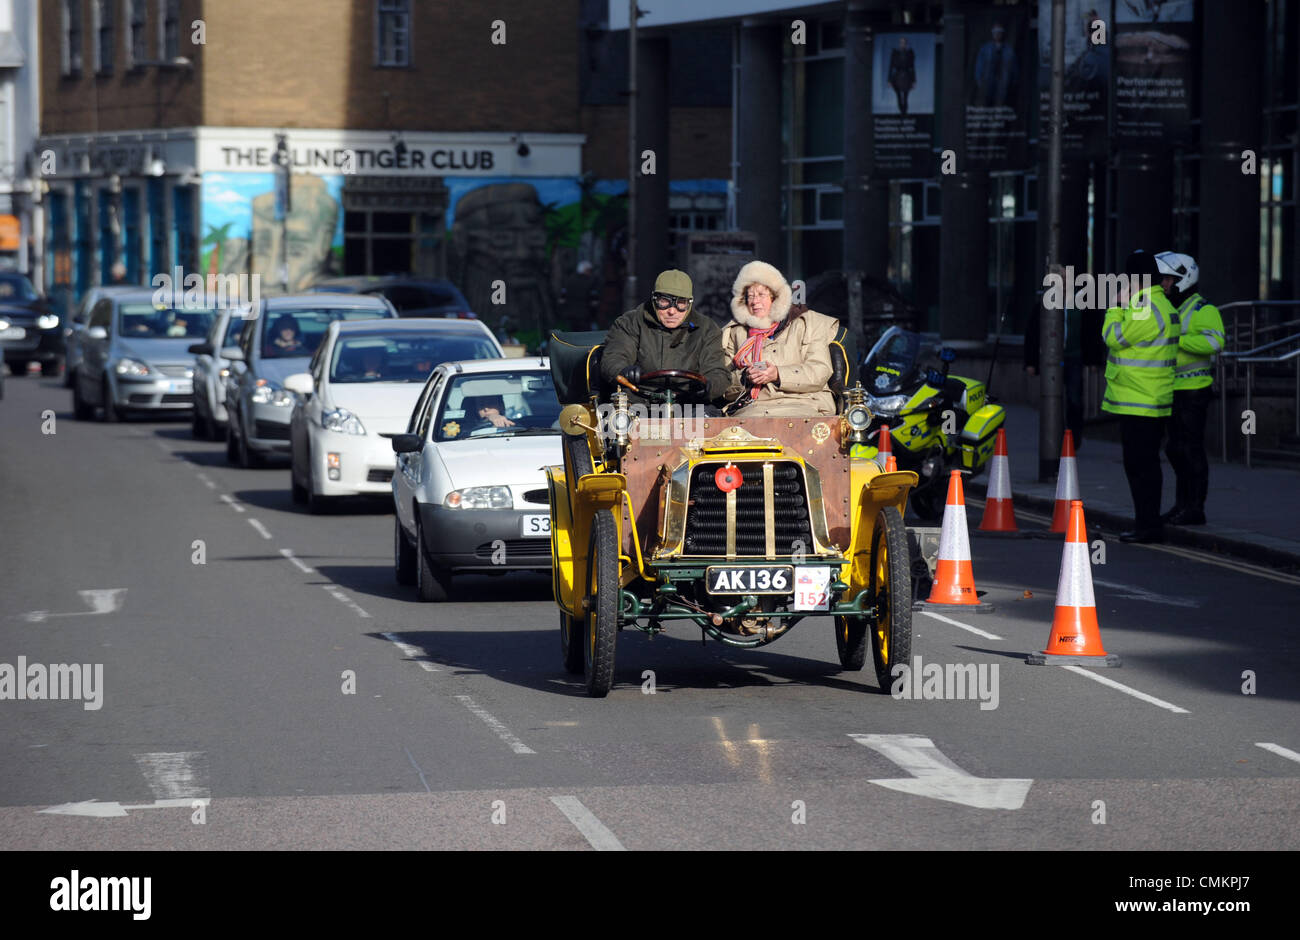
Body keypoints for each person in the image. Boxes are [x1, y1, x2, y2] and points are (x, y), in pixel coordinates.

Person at [1101, 249, 1179, 543]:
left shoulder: (1145, 306)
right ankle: (1147, 523)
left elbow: (1113, 337)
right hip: (1149, 398)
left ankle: (1148, 526)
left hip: (1141, 400)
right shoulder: (1156, 303)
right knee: (1145, 466)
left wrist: (1115, 306)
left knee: (1140, 467)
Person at [1155, 251, 1225, 526]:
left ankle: (1195, 508)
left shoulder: (1202, 309)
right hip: (1174, 389)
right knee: (1174, 449)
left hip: (1194, 389)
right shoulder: (1175, 309)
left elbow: (1215, 342)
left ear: (1184, 279)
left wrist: (1178, 340)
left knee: (1190, 449)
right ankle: (1182, 505)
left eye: (1169, 279)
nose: (1164, 284)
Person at [720, 260, 839, 417]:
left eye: (761, 295)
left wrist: (777, 374)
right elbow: (722, 384)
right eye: (750, 296)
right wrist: (745, 377)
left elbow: (819, 371)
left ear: (776, 298)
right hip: (752, 410)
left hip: (805, 406)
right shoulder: (734, 333)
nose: (755, 301)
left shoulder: (808, 323)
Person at [599, 269, 730, 407]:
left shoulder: (706, 329)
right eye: (664, 301)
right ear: (654, 299)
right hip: (638, 400)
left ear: (689, 303)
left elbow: (717, 371)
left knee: (709, 422)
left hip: (688, 403)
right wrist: (623, 371)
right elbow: (614, 357)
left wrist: (709, 386)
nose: (672, 311)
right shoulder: (631, 322)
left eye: (681, 303)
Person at [1025, 263, 1107, 450]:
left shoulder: (1081, 302)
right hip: (1050, 359)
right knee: (1052, 399)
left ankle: (1073, 438)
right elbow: (1032, 333)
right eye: (1058, 279)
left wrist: (1094, 359)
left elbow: (1093, 331)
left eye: (1065, 278)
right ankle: (1055, 436)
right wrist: (1030, 362)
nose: (1062, 282)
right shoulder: (1045, 303)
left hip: (1074, 357)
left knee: (1074, 398)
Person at [973, 22, 1019, 108]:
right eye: (995, 32)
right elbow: (978, 68)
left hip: (1003, 88)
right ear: (992, 34)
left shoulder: (1009, 50)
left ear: (1003, 33)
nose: (997, 34)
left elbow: (1014, 69)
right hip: (988, 87)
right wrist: (981, 84)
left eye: (999, 32)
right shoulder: (985, 49)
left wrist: (1012, 85)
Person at [888, 36, 916, 115]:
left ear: (906, 44)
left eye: (904, 43)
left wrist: (914, 81)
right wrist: (889, 80)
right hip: (897, 75)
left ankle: (904, 112)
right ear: (899, 44)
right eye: (901, 43)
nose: (902, 44)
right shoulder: (895, 53)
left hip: (907, 75)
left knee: (906, 96)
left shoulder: (909, 54)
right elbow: (891, 66)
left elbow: (912, 67)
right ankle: (901, 110)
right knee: (898, 95)